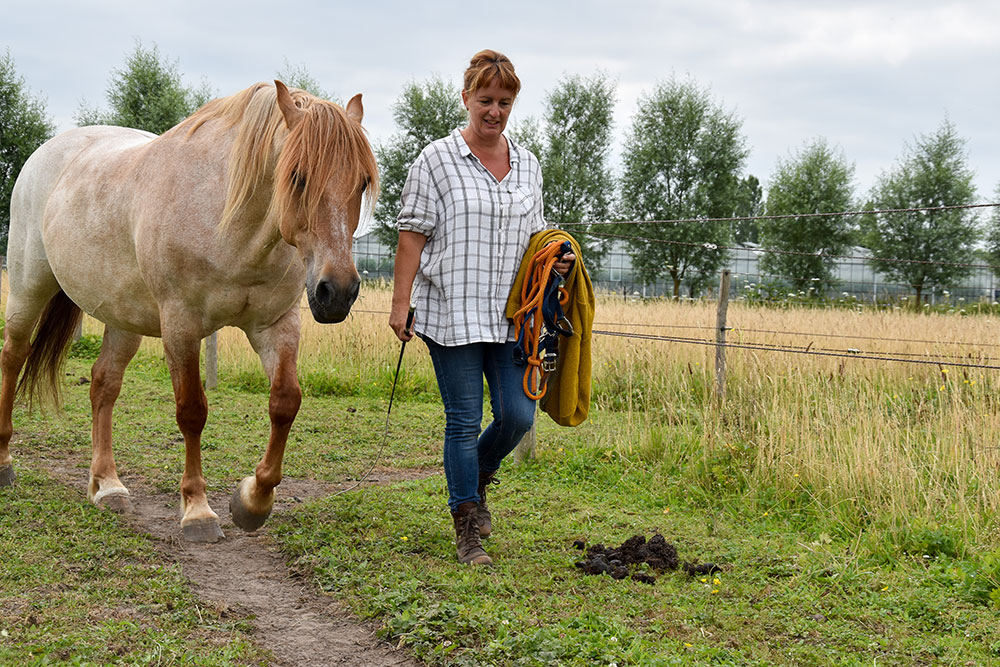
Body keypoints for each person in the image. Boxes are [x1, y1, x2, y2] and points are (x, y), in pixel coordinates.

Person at [390, 49, 574, 566]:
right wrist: (401, 302)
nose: (494, 111)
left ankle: (478, 475)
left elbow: (536, 236)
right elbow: (411, 235)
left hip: (513, 315)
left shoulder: (530, 165)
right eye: (485, 100)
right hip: (451, 311)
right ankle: (467, 523)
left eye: (504, 102)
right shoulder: (435, 160)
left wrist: (553, 261)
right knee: (464, 418)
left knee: (518, 414)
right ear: (466, 97)